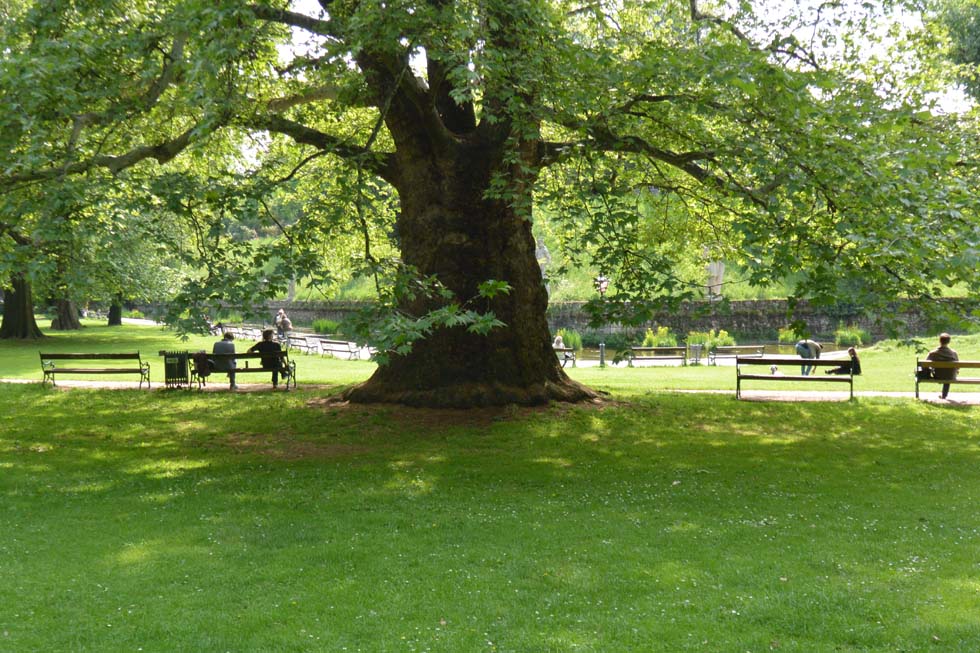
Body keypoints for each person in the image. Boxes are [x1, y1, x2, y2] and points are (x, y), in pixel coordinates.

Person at [927, 332, 959, 399]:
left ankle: (943, 396)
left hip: (938, 376)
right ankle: (944, 395)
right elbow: (958, 366)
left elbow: (925, 364)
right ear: (949, 342)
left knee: (944, 372)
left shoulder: (933, 353)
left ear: (939, 341)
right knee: (948, 373)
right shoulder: (953, 353)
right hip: (951, 376)